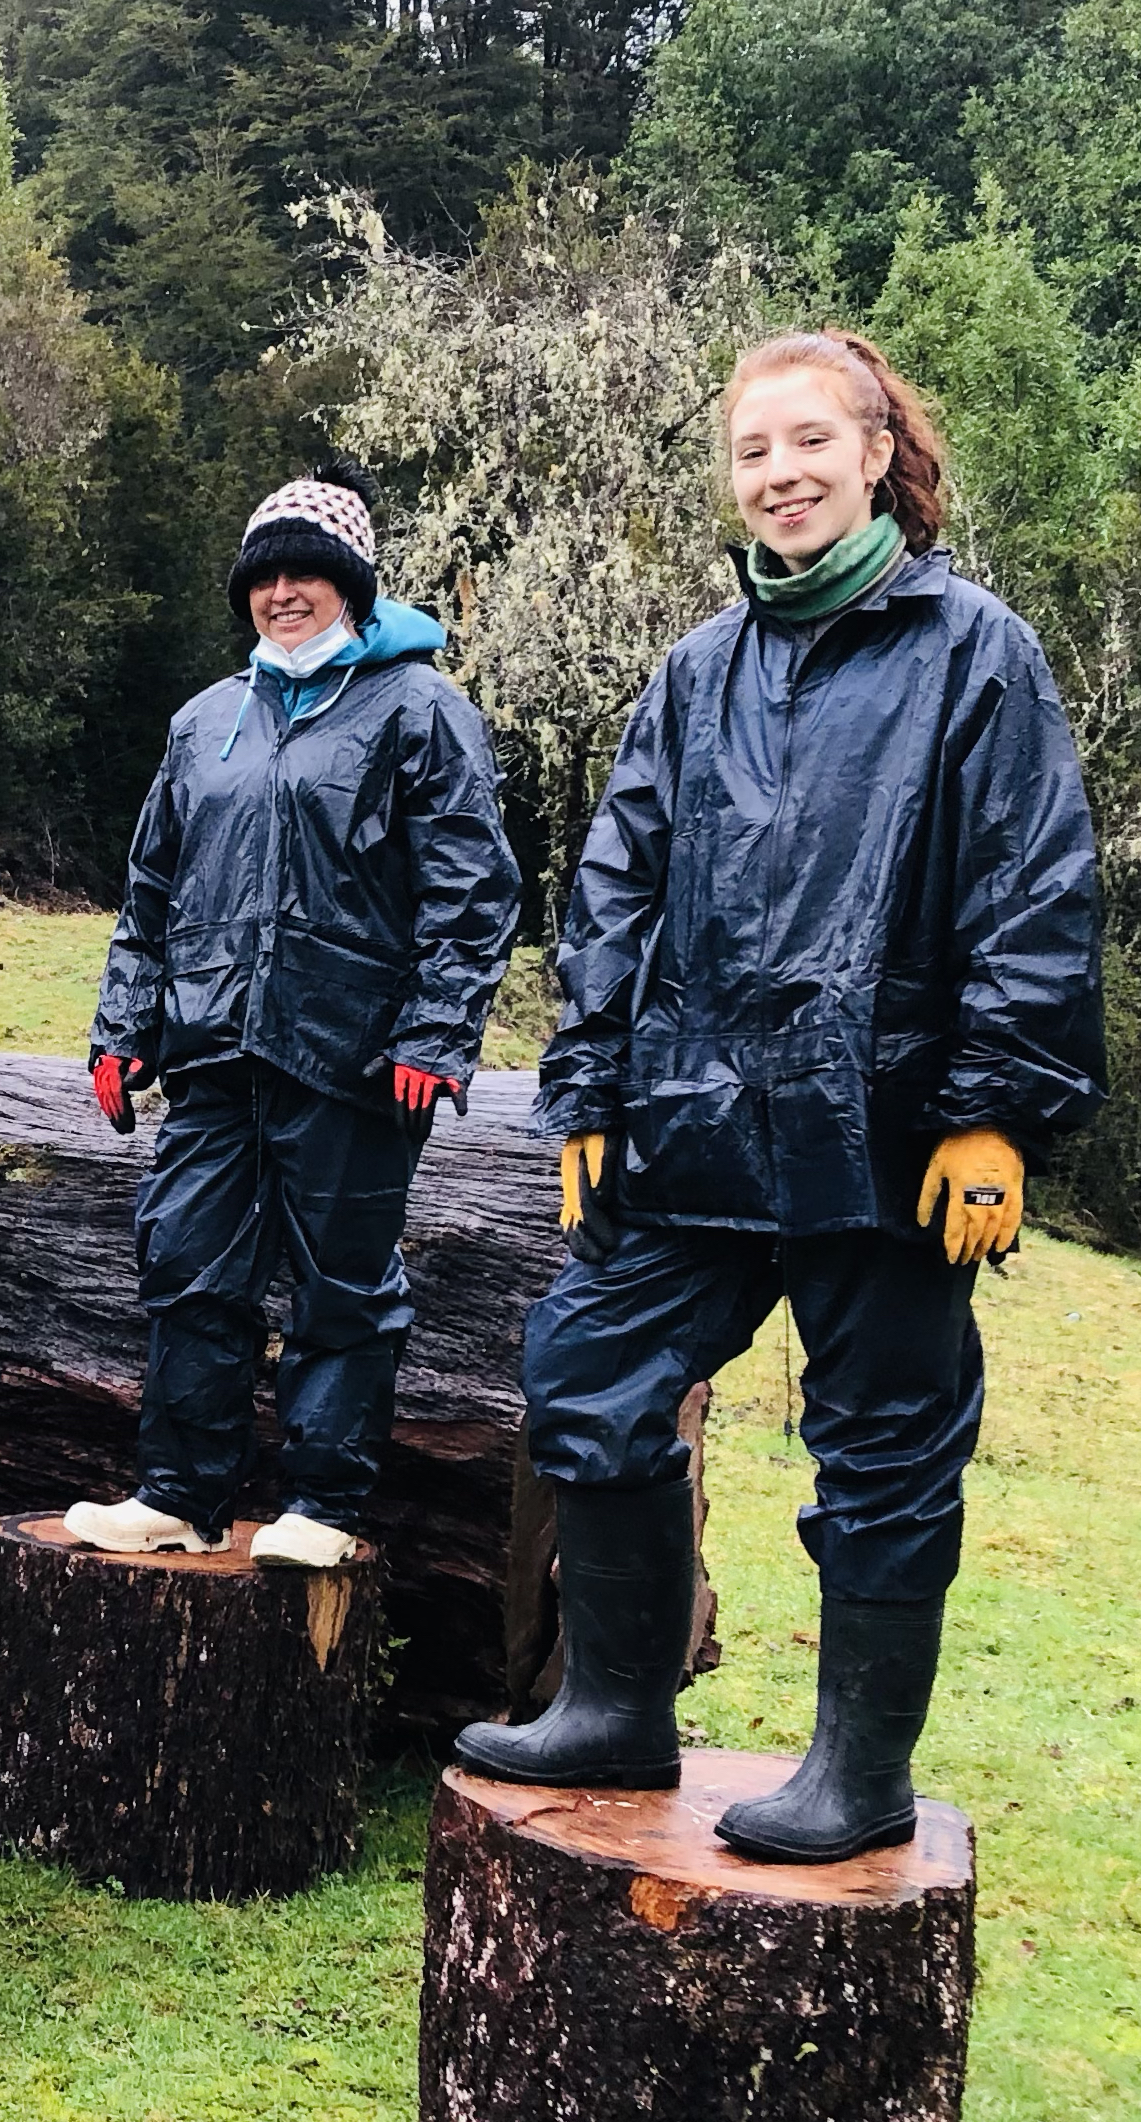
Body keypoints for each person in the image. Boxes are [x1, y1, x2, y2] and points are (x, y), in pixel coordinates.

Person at [459, 328, 1102, 1863]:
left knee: (883, 1446)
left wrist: (995, 1109)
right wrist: (594, 1081)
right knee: (589, 1375)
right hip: (691, 1121)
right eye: (754, 452)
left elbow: (1037, 887)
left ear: (880, 454)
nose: (781, 475)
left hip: (886, 1138)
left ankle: (858, 1771)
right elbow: (614, 879)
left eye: (810, 443)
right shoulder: (699, 670)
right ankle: (617, 1704)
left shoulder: (975, 654)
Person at [65, 465, 521, 1572]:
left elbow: (473, 888)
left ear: (351, 586)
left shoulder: (419, 709)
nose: (281, 592)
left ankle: (321, 1500)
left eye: (305, 573)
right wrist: (122, 1025)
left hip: (351, 1055)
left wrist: (435, 1031)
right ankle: (181, 1492)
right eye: (262, 576)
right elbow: (149, 892)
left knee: (342, 1286)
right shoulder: (203, 722)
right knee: (187, 1267)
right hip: (213, 1048)